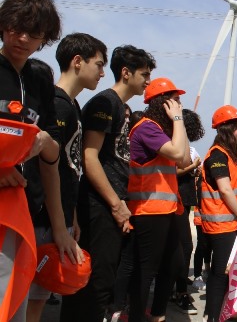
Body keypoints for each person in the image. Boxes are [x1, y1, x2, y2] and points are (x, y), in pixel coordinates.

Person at [61, 45, 156, 322]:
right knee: (94, 281)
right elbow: (89, 158)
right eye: (144, 74)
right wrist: (115, 205)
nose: (147, 81)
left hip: (112, 204)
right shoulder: (105, 103)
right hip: (98, 204)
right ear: (126, 73)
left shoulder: (122, 107)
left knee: (104, 277)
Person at [0, 0, 72, 322]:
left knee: (15, 306)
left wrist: (59, 229)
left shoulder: (40, 78)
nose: (22, 38)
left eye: (34, 33)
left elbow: (51, 158)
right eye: (16, 27)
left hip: (25, 215)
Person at [27, 33, 107, 322]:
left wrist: (70, 216)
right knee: (26, 299)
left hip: (58, 217)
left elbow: (69, 168)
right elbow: (47, 168)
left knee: (37, 298)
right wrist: (59, 226)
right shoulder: (57, 104)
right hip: (42, 218)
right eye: (98, 64)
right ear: (77, 61)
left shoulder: (71, 106)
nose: (101, 72)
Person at [126, 77, 189, 322]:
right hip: (148, 210)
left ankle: (158, 314)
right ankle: (138, 316)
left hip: (166, 209)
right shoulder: (146, 127)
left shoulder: (163, 130)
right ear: (162, 103)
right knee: (145, 270)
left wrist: (177, 124)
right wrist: (178, 120)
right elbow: (177, 153)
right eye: (175, 101)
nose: (179, 105)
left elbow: (183, 159)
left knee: (174, 263)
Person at [200, 104, 237, 322]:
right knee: (220, 274)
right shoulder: (217, 155)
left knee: (227, 273)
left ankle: (222, 313)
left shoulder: (232, 155)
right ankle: (212, 317)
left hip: (233, 223)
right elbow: (226, 189)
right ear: (224, 128)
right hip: (221, 226)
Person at [173, 108, 205, 315]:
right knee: (184, 246)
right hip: (172, 199)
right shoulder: (173, 143)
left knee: (182, 247)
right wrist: (192, 166)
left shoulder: (185, 146)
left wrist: (194, 169)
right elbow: (173, 170)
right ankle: (180, 292)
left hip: (183, 200)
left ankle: (177, 288)